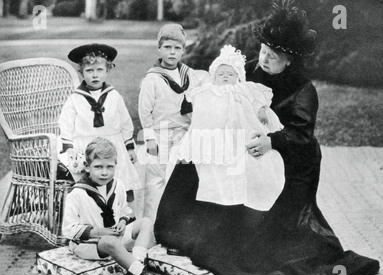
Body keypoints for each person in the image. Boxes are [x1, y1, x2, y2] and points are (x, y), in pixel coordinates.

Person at [154, 1, 379, 275]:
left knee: (266, 228)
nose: (264, 59)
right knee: (198, 158)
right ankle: (179, 230)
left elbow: (302, 135)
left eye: (273, 56)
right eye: (263, 51)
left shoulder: (303, 89)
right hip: (247, 143)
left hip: (291, 156)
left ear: (289, 60)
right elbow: (221, 91)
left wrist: (271, 141)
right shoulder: (249, 70)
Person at [177, 44, 285, 211]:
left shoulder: (243, 88)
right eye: (221, 74)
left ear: (238, 77)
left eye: (230, 74)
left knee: (244, 160)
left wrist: (261, 109)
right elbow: (198, 111)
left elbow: (257, 98)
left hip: (242, 129)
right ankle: (220, 196)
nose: (225, 77)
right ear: (214, 77)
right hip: (216, 131)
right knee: (216, 165)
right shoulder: (209, 90)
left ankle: (245, 194)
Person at [62, 137, 169, 275]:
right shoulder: (77, 193)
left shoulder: (118, 185)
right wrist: (98, 232)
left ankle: (133, 273)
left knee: (146, 222)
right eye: (98, 167)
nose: (104, 172)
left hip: (114, 236)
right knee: (109, 241)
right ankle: (144, 274)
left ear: (115, 165)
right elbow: (68, 230)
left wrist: (122, 221)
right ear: (87, 167)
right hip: (88, 244)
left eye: (109, 167)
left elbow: (124, 209)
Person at [138, 23, 210, 222]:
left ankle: (176, 224)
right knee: (156, 180)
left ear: (183, 50)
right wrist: (150, 138)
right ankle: (151, 225)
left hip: (184, 135)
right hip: (160, 134)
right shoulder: (152, 78)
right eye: (167, 47)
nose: (172, 52)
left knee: (181, 179)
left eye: (177, 48)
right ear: (159, 49)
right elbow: (145, 111)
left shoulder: (190, 75)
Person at [59, 43, 141, 203]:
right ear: (82, 72)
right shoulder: (75, 98)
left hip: (113, 144)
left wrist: (129, 146)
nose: (94, 75)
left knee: (119, 183)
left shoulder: (114, 96)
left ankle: (122, 217)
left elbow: (125, 122)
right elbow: (66, 124)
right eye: (89, 71)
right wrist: (70, 151)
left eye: (99, 70)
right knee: (90, 190)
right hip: (86, 145)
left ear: (107, 70)